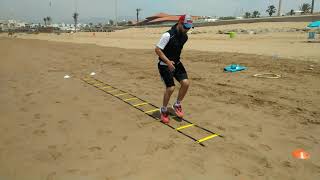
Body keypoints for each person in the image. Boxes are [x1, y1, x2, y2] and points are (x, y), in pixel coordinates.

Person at [155, 14, 193, 124]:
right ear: (180, 23)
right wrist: (167, 62)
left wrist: (174, 62)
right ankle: (163, 110)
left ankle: (177, 104)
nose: (187, 29)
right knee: (171, 88)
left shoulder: (185, 37)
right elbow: (157, 50)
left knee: (185, 83)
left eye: (189, 27)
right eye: (185, 26)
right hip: (164, 64)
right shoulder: (167, 35)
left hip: (176, 63)